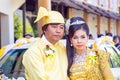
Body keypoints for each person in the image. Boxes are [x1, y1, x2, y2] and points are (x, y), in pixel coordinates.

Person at [22, 7, 68, 80]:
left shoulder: (62, 47)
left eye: (61, 27)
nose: (58, 31)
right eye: (54, 27)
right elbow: (39, 78)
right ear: (44, 29)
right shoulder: (34, 51)